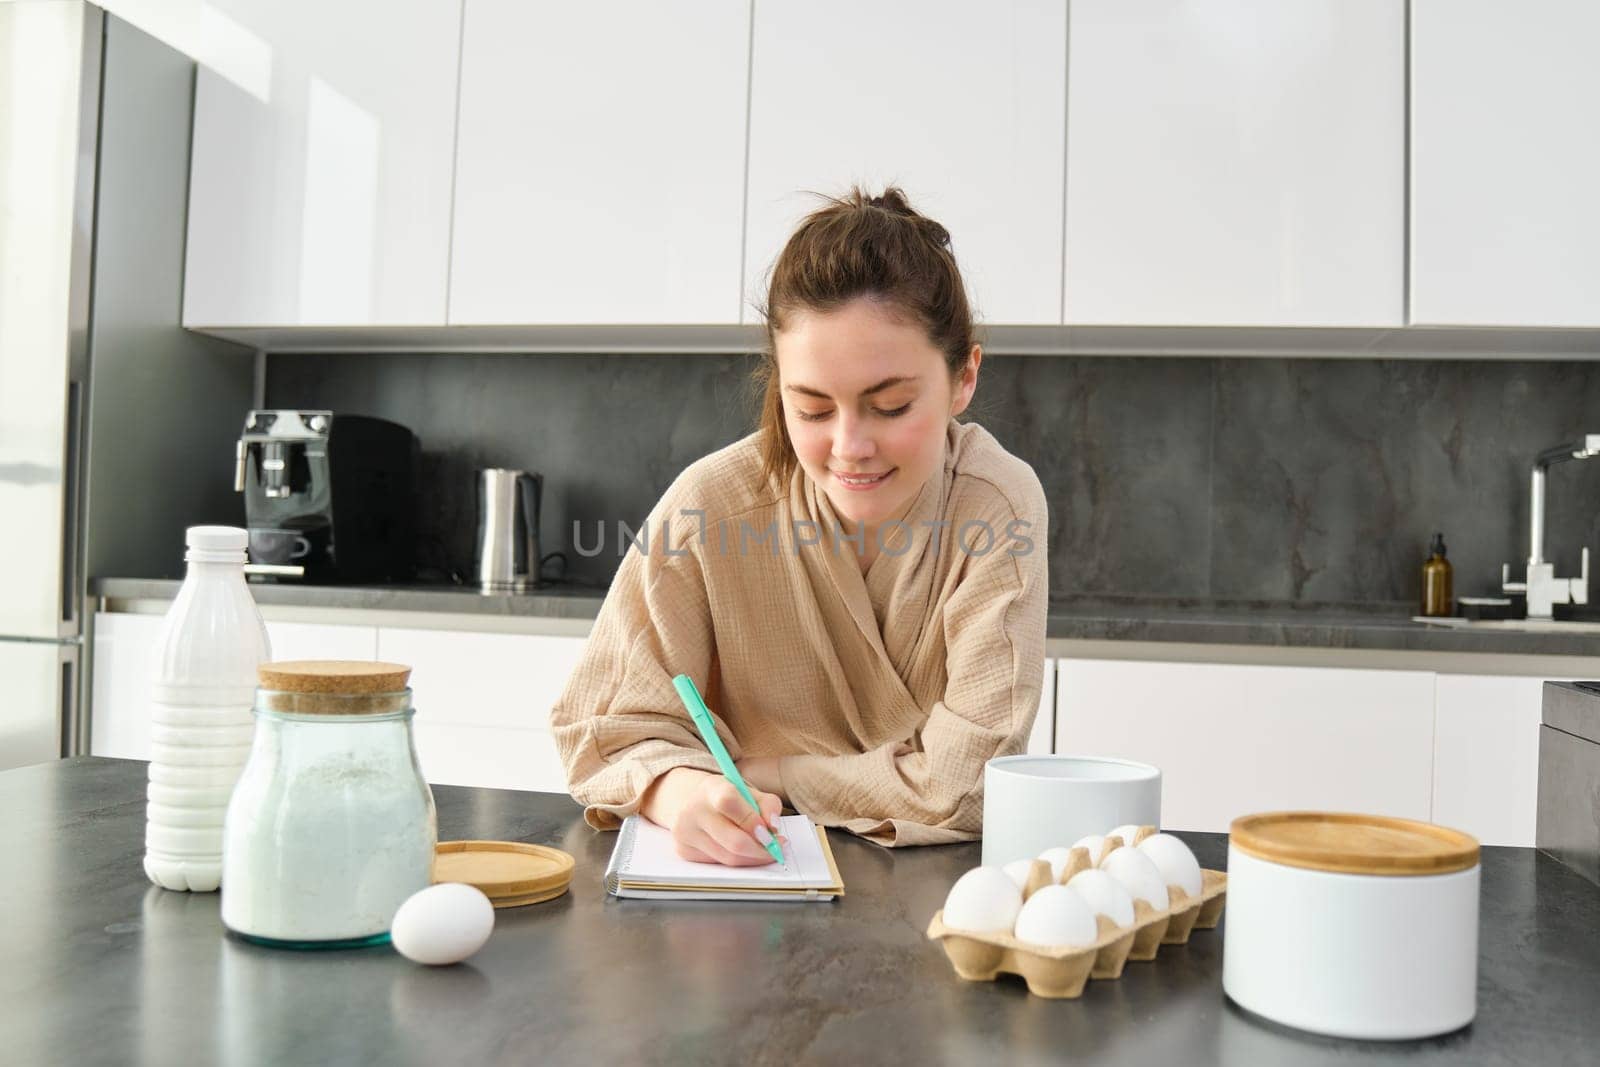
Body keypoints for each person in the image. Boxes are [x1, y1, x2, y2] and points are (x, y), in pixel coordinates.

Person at [551, 186, 1048, 866]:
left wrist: (776, 773)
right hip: (742, 901)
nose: (850, 445)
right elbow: (601, 727)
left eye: (891, 405)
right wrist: (681, 792)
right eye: (812, 409)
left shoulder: (996, 506)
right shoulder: (711, 506)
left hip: (932, 904)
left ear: (964, 377)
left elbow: (970, 785)